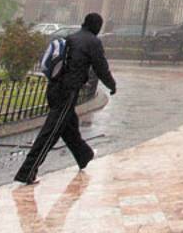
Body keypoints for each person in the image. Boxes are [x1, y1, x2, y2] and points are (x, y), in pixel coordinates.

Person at [14, 12, 117, 185]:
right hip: (67, 91)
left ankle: (83, 155)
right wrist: (112, 85)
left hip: (54, 88)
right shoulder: (93, 42)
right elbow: (101, 68)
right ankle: (28, 171)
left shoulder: (72, 37)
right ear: (97, 26)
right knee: (51, 131)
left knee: (68, 126)